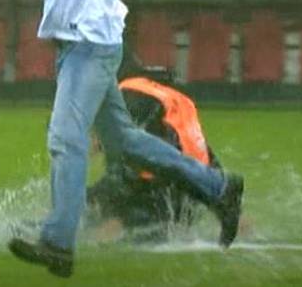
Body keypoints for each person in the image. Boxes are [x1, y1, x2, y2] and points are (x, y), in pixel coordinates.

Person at [7, 0, 244, 278]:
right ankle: (219, 187)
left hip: (90, 43)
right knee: (126, 143)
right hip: (75, 43)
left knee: (66, 139)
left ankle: (58, 242)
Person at [86, 67, 223, 243]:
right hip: (186, 204)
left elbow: (119, 181)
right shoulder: (159, 102)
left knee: (102, 210)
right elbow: (201, 154)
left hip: (162, 200)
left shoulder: (122, 111)